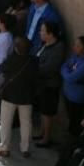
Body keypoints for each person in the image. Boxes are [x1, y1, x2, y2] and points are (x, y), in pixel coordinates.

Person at [34, 21, 66, 149]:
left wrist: (34, 69)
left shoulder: (58, 47)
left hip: (50, 84)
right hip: (41, 84)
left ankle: (46, 138)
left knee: (48, 112)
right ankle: (42, 133)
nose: (40, 33)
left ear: (50, 34)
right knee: (43, 110)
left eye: (42, 30)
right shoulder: (45, 44)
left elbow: (50, 67)